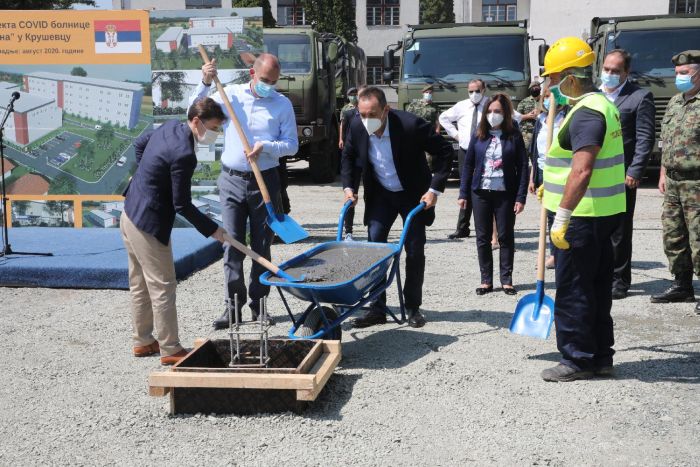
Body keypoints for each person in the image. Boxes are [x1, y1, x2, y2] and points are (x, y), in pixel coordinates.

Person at [189, 53, 299, 329]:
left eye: (273, 82)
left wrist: (267, 146)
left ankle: (259, 305)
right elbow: (194, 111)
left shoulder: (282, 104)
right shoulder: (230, 96)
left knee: (263, 244)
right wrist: (205, 80)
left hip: (266, 181)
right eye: (264, 80)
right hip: (231, 180)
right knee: (232, 244)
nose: (269, 86)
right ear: (253, 73)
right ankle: (232, 308)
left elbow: (292, 145)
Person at [539, 37, 626, 382]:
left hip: (582, 217)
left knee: (574, 288)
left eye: (552, 78)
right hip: (603, 213)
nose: (548, 86)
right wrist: (552, 181)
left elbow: (583, 169)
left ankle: (576, 359)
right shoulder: (602, 105)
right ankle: (601, 356)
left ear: (570, 78)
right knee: (597, 286)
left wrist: (562, 214)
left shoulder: (587, 112)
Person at [120, 98, 228, 366]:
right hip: (147, 222)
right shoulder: (184, 155)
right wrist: (213, 229)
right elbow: (182, 204)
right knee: (162, 285)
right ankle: (170, 349)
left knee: (140, 283)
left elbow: (140, 144)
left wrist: (145, 176)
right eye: (214, 127)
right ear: (196, 121)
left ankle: (142, 341)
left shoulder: (170, 126)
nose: (216, 133)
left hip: (130, 210)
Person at [341, 86, 453, 328]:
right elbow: (349, 156)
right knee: (375, 247)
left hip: (413, 194)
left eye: (372, 114)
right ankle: (377, 307)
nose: (367, 120)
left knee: (413, 249)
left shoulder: (410, 126)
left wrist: (434, 189)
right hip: (381, 193)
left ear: (386, 110)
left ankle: (413, 306)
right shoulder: (358, 125)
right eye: (362, 114)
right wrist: (349, 187)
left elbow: (444, 151)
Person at [458, 93, 528, 295]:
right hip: (480, 193)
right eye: (489, 111)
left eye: (497, 111)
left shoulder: (513, 135)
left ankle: (506, 280)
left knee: (506, 236)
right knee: (483, 237)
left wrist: (520, 197)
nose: (493, 115)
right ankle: (486, 280)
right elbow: (469, 164)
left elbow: (523, 166)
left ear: (505, 113)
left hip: (505, 194)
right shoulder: (479, 135)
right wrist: (463, 193)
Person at [600, 49, 656, 300]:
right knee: (597, 228)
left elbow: (645, 138)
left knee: (619, 230)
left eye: (615, 71)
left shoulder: (639, 97)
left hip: (622, 174)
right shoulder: (594, 95)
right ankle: (600, 274)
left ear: (626, 73)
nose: (609, 74)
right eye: (606, 69)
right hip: (596, 173)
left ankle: (619, 280)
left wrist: (635, 170)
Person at [651, 50, 700, 315]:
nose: (679, 77)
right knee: (673, 234)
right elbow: (666, 141)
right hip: (672, 180)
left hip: (697, 182)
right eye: (677, 73)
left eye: (685, 73)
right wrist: (661, 173)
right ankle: (682, 285)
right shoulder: (674, 102)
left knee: (699, 236)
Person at [439, 79, 487, 239]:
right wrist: (456, 135)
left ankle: (486, 228)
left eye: (477, 91)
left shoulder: (491, 104)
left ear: (484, 90)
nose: (474, 94)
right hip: (465, 151)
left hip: (485, 152)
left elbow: (511, 117)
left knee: (484, 188)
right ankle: (462, 228)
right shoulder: (461, 105)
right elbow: (443, 118)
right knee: (465, 188)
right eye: (471, 91)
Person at [529, 87, 569, 269]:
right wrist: (532, 177)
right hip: (542, 171)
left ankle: (562, 252)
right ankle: (555, 253)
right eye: (546, 97)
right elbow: (534, 151)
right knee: (549, 215)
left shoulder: (567, 117)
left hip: (561, 171)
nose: (549, 100)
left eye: (553, 97)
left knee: (561, 213)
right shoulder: (540, 120)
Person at [339, 87, 359, 241]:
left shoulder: (374, 117)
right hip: (353, 157)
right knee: (350, 195)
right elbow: (342, 127)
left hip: (369, 160)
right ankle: (348, 231)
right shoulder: (348, 113)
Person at [517, 80, 542, 153]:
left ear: (540, 89)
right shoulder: (524, 102)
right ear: (530, 90)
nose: (535, 90)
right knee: (525, 153)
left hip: (541, 132)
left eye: (536, 88)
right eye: (533, 88)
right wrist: (528, 116)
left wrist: (540, 113)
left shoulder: (545, 100)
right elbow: (517, 117)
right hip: (527, 134)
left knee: (539, 154)